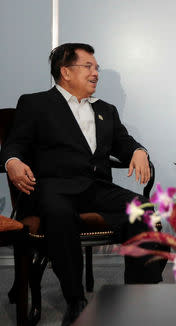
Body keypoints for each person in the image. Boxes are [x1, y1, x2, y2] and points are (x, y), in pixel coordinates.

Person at [0, 43, 166, 326]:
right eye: (88, 66)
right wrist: (12, 161)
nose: (95, 73)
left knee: (145, 211)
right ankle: (75, 299)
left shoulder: (106, 110)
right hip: (52, 187)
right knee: (59, 213)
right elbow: (16, 143)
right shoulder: (36, 103)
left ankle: (140, 297)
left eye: (97, 68)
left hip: (95, 188)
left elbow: (124, 144)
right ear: (65, 71)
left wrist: (139, 151)